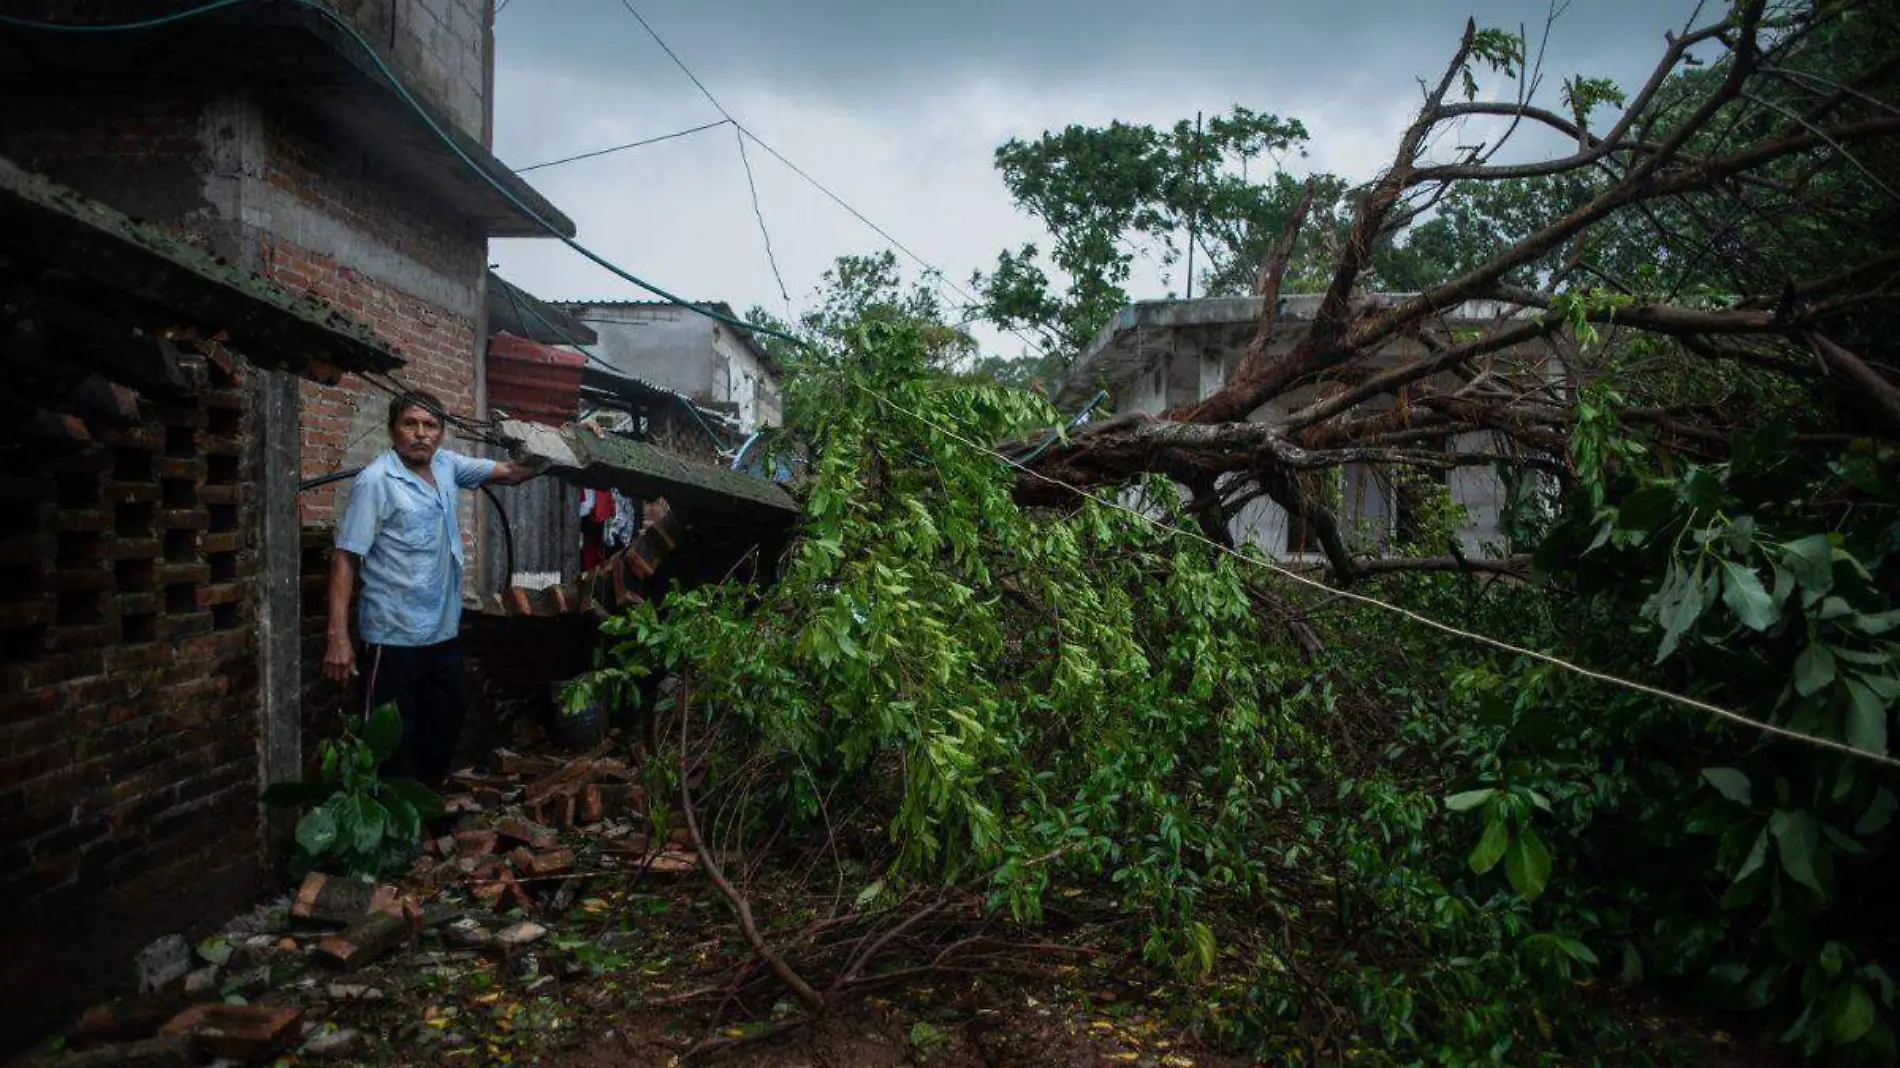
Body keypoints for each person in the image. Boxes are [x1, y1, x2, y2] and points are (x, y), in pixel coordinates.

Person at [324, 390, 548, 785]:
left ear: (442, 433)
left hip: (441, 634)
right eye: (410, 424)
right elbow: (345, 557)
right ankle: (390, 830)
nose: (421, 434)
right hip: (392, 637)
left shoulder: (446, 466)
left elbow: (511, 472)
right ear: (393, 430)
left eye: (430, 426)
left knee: (447, 717)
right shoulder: (376, 482)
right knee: (390, 736)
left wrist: (560, 450)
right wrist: (337, 636)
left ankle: (423, 806)